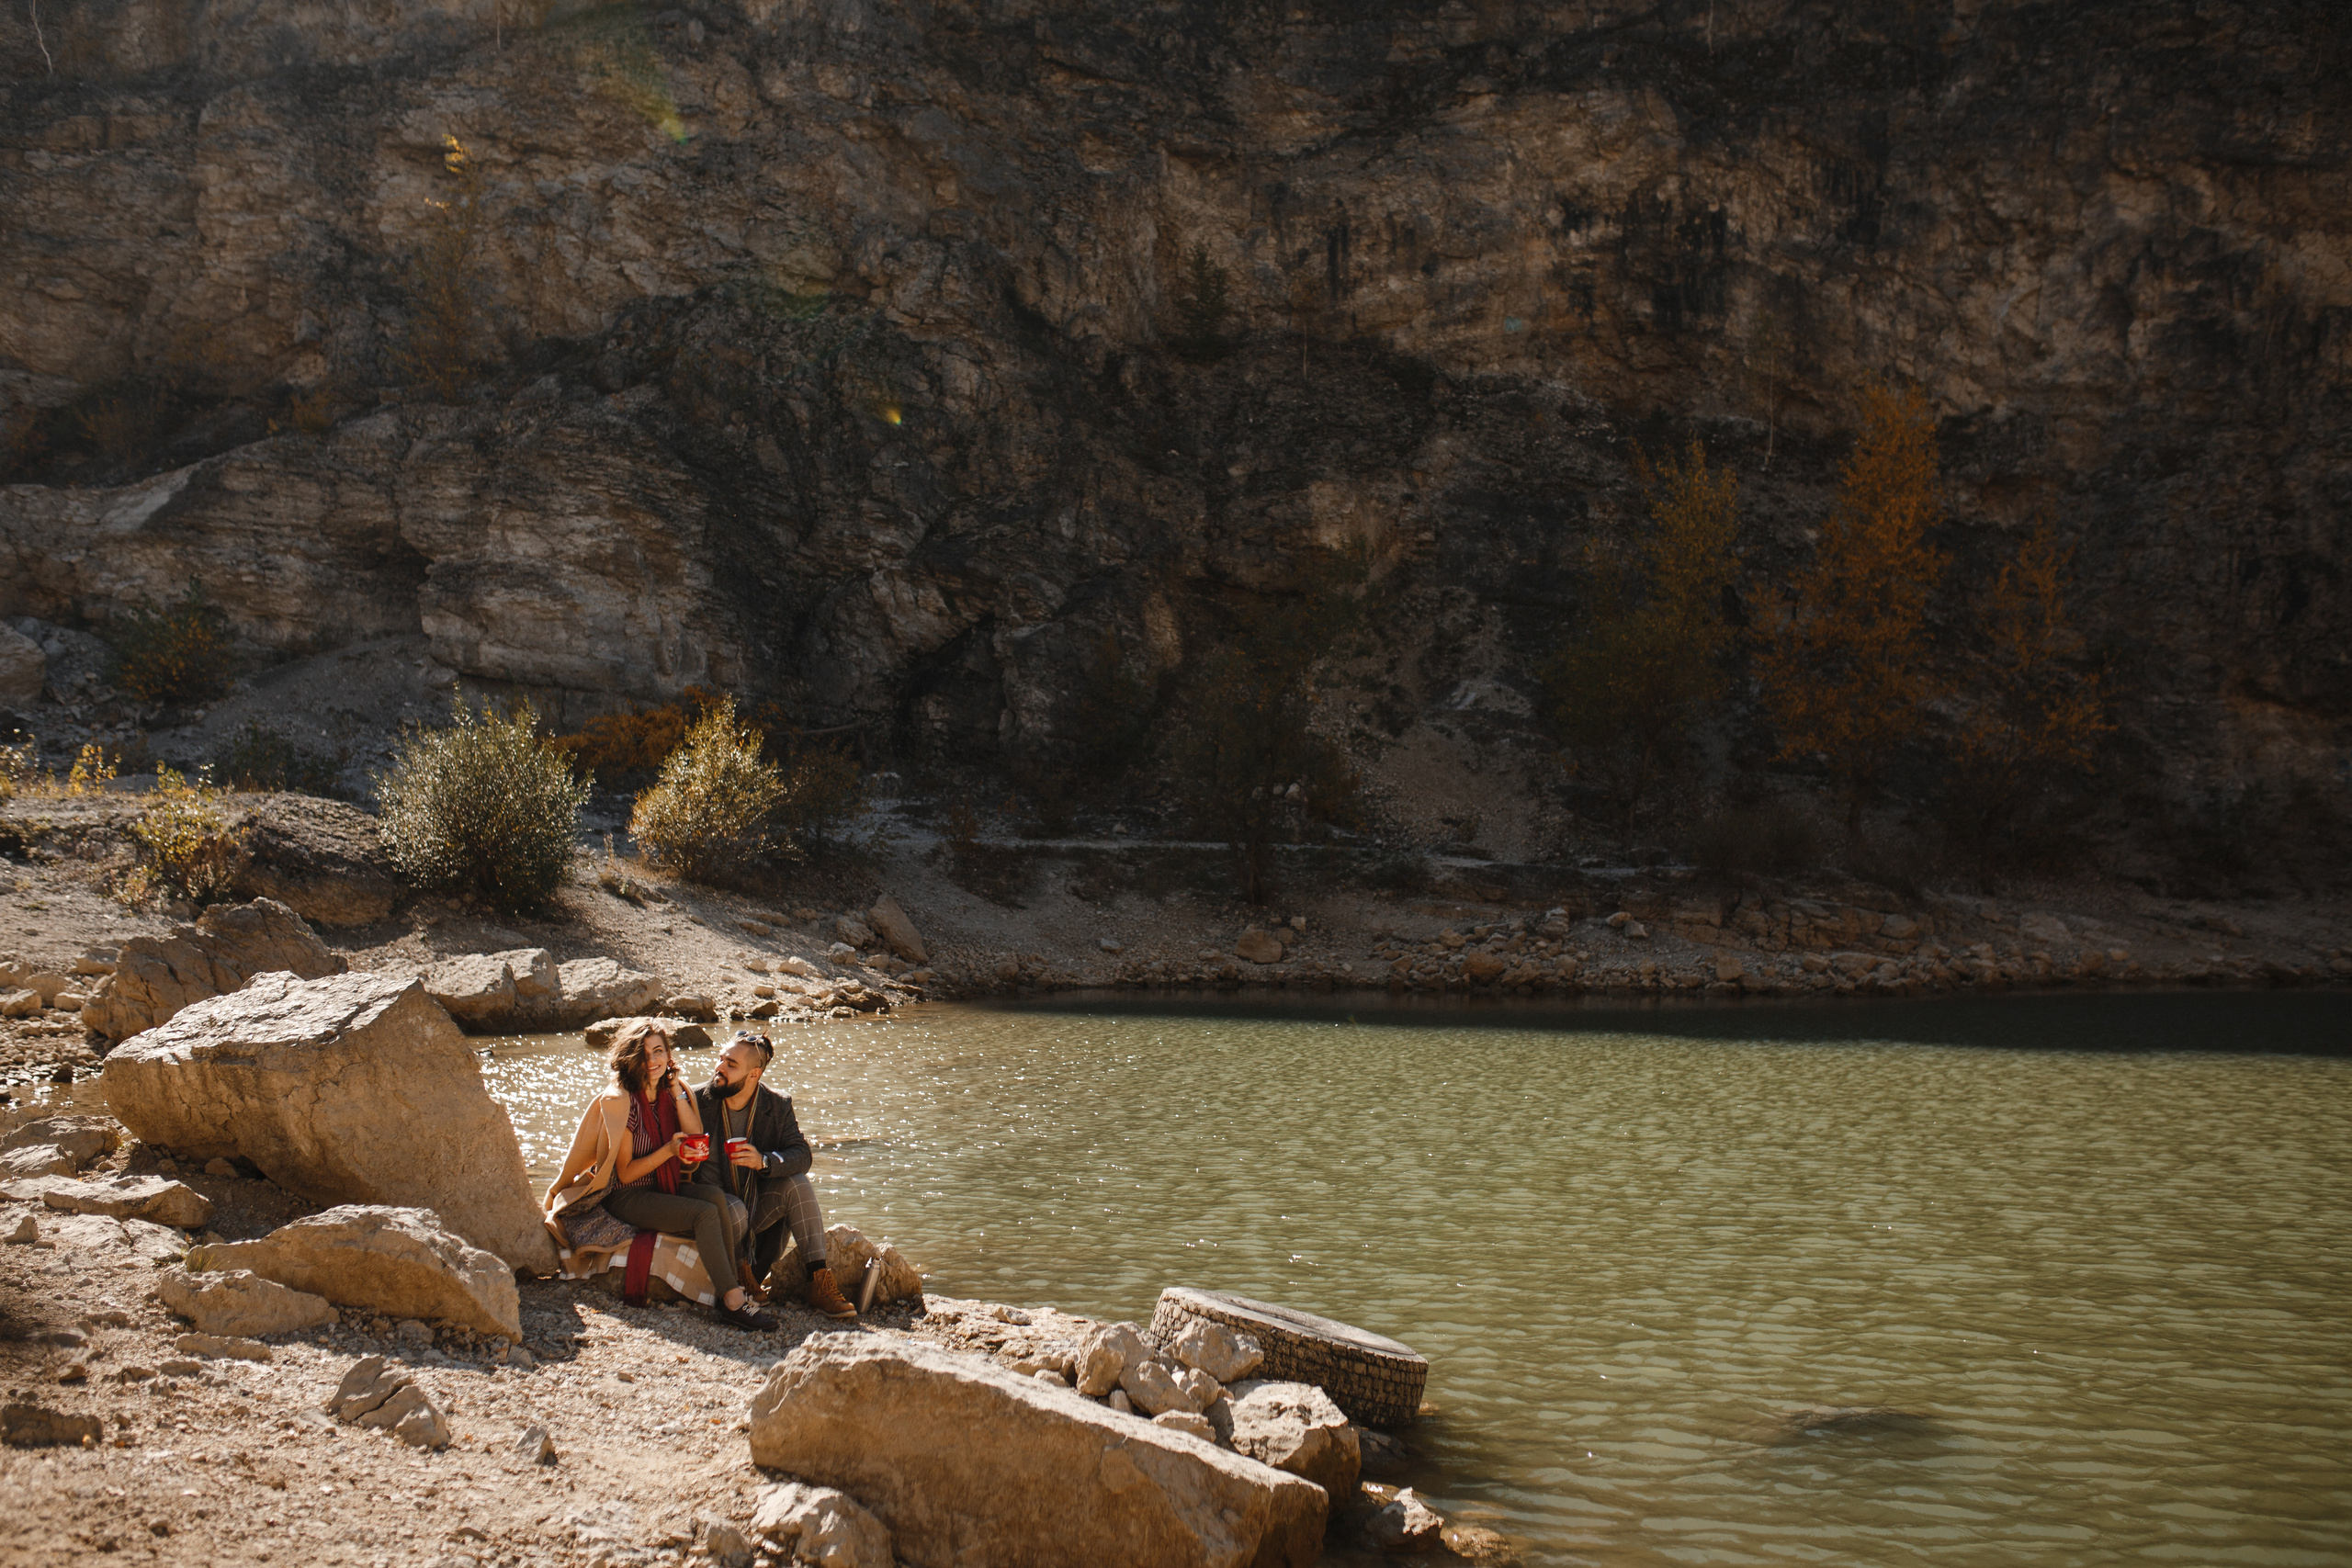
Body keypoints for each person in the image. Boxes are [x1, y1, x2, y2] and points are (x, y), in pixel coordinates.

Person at [546, 1019, 778, 1331]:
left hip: (663, 1185)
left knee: (714, 1198)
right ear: (631, 1058)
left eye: (659, 1051)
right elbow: (626, 1175)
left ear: (669, 1054)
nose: (653, 1060)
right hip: (626, 1196)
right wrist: (670, 1151)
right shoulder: (621, 1101)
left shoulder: (674, 1091)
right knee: (703, 1214)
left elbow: (696, 1135)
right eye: (644, 1054)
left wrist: (675, 1091)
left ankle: (734, 1280)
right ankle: (732, 1301)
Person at [692, 1031, 859, 1322]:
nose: (719, 1068)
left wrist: (764, 1162)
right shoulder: (695, 1100)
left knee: (797, 1182)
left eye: (731, 1064)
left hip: (756, 1212)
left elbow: (802, 1155)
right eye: (720, 1059)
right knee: (732, 1207)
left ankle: (819, 1281)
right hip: (713, 1213)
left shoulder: (776, 1105)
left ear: (754, 1074)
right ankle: (739, 1274)